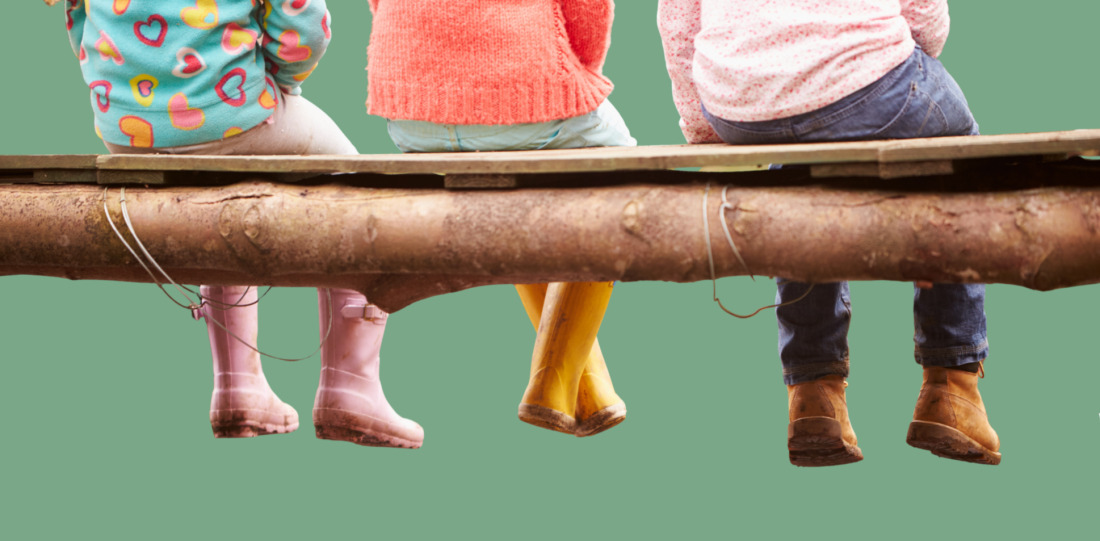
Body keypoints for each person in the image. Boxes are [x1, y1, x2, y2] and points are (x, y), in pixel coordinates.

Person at [53, 0, 423, 449]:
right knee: (358, 185)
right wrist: (277, 85)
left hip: (127, 128)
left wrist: (122, 90)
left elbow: (76, 16)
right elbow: (304, 29)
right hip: (233, 113)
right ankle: (351, 388)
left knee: (220, 181)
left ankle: (238, 386)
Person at [658, 0, 1000, 466]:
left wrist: (702, 123)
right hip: (866, 82)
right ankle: (951, 386)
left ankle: (814, 395)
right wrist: (887, 57)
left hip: (740, 102)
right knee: (961, 153)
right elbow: (923, 14)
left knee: (797, 168)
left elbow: (678, 20)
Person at [366, 0, 635, 437]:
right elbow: (589, 10)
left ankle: (588, 388)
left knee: (514, 182)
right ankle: (550, 378)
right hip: (521, 101)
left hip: (413, 118)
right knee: (623, 166)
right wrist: (576, 74)